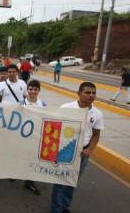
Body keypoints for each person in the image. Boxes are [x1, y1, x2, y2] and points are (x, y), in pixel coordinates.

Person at [50, 82, 104, 213]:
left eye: (93, 93)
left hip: (82, 153)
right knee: (60, 181)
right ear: (79, 93)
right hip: (65, 150)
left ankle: (65, 206)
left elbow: (96, 135)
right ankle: (56, 209)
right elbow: (55, 126)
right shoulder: (66, 107)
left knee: (72, 181)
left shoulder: (97, 113)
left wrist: (89, 149)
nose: (91, 95)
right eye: (87, 92)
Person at [18, 79, 46, 195]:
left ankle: (30, 182)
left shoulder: (43, 104)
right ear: (27, 90)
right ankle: (15, 173)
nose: (33, 91)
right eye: (31, 89)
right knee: (20, 157)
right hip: (22, 136)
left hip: (37, 136)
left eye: (35, 89)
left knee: (34, 160)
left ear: (39, 90)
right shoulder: (21, 103)